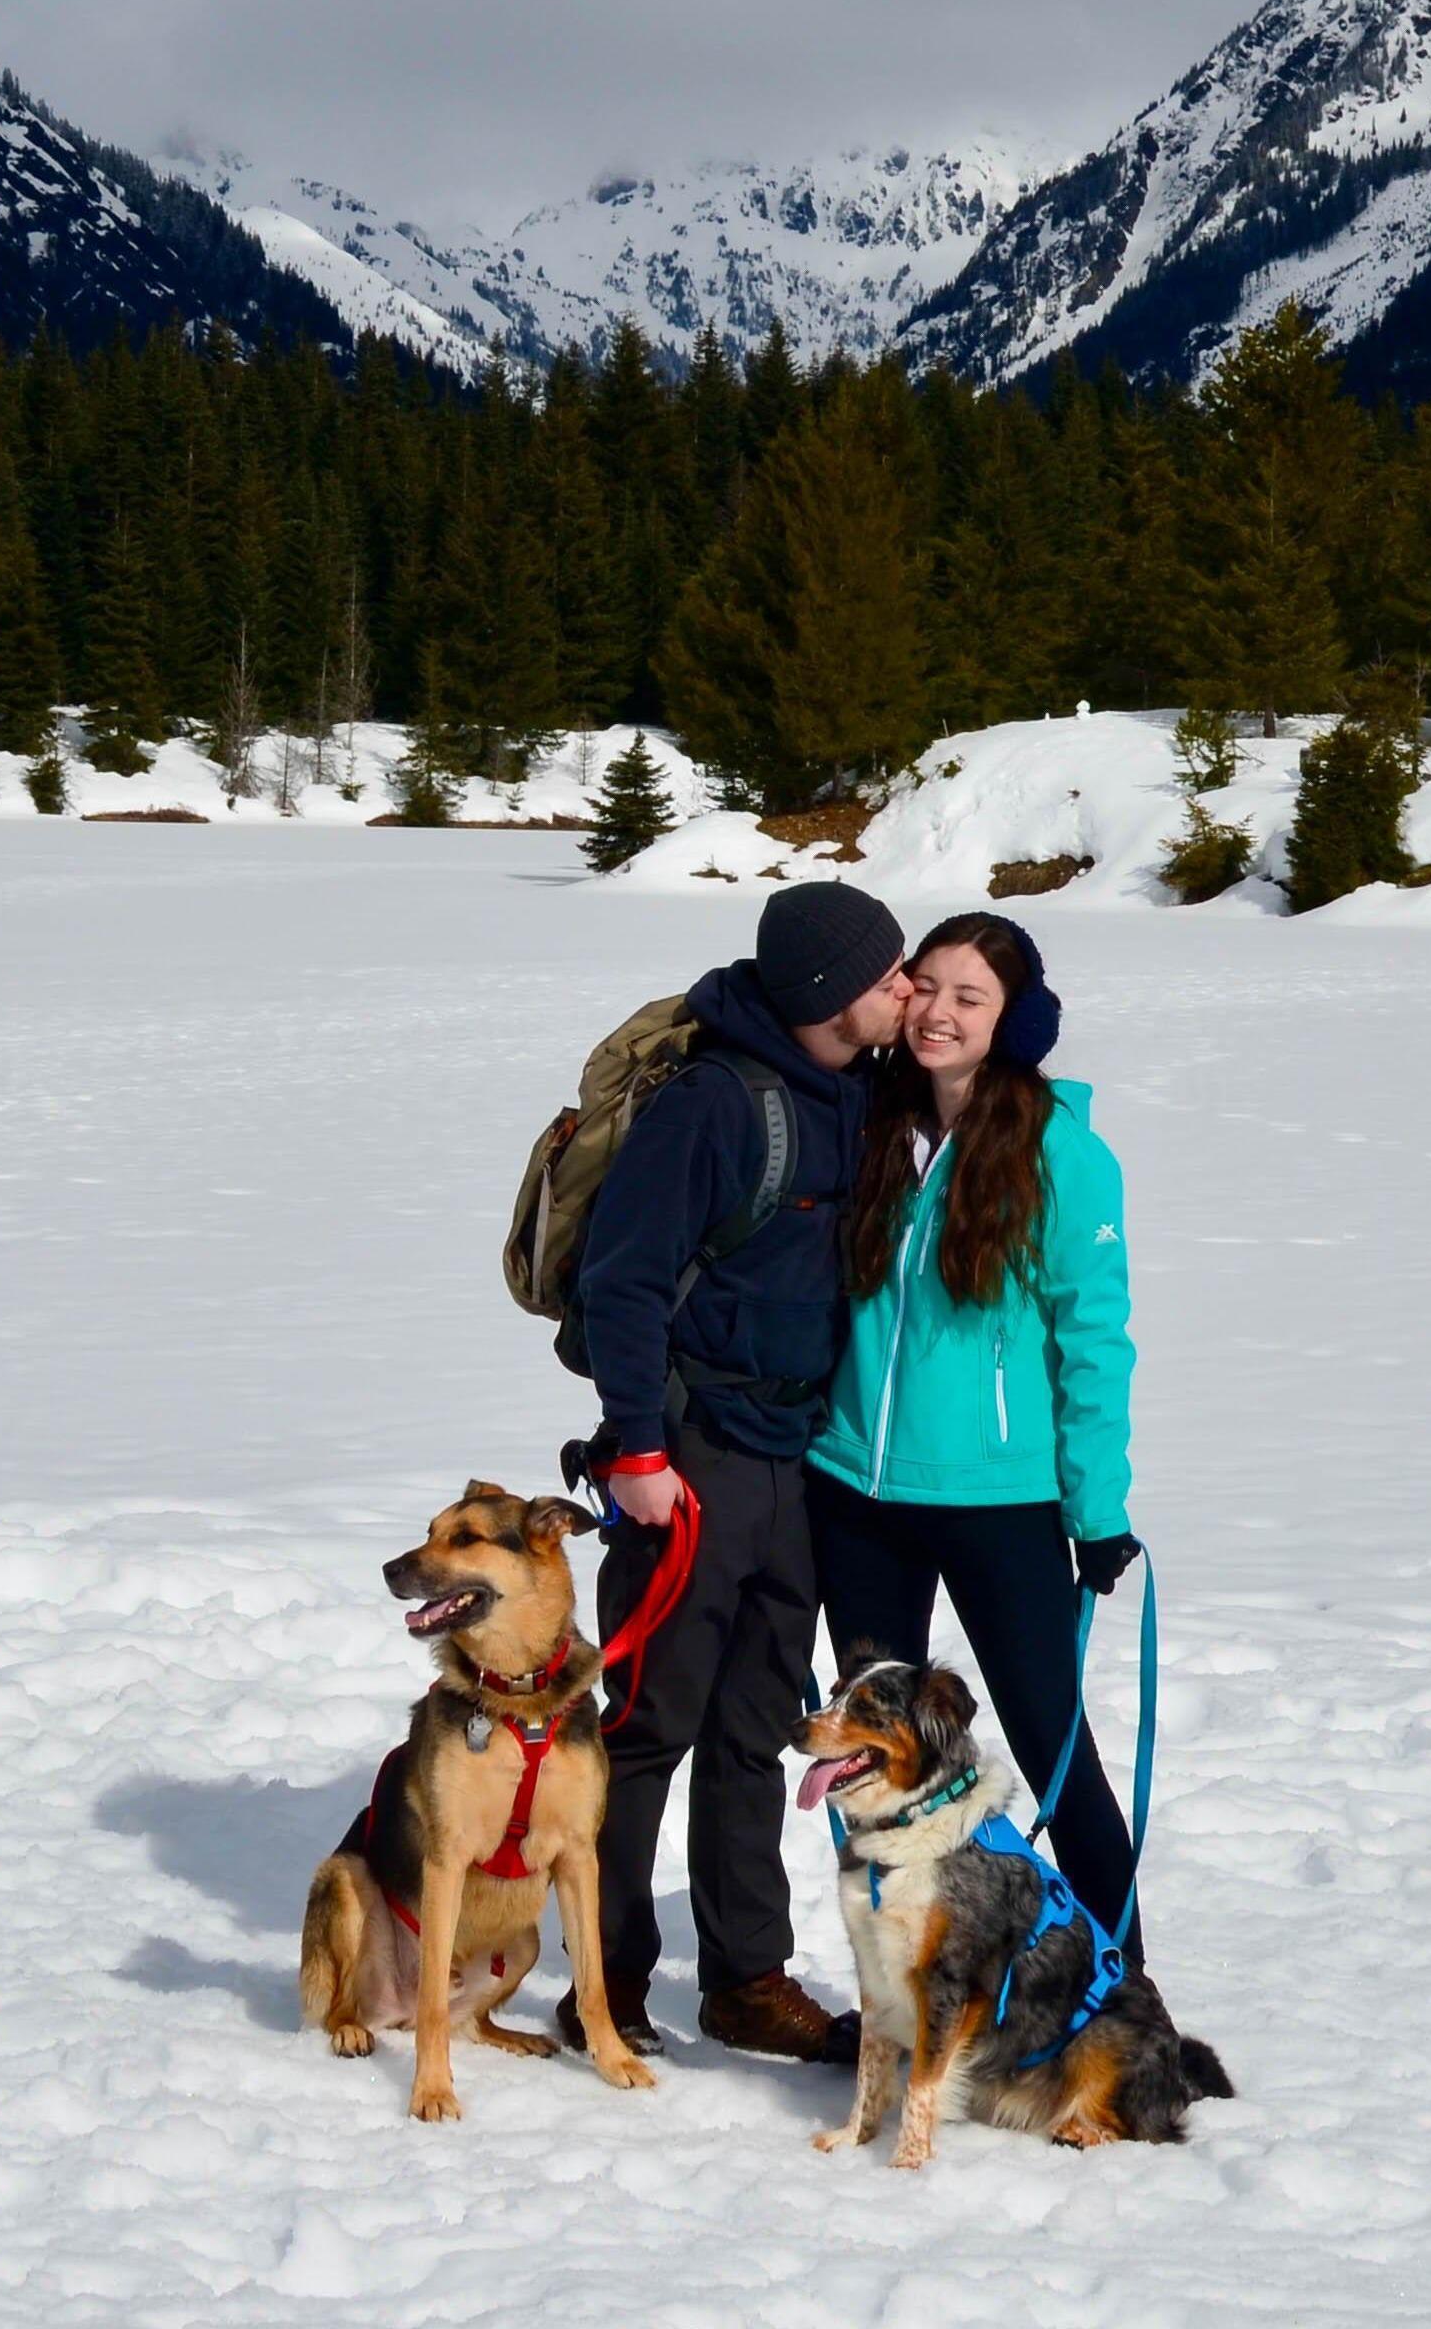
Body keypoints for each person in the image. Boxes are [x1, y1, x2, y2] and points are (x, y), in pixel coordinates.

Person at [565, 880, 910, 2066]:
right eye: (887, 974)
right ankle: (601, 1981)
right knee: (648, 1722)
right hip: (692, 1454)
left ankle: (745, 1978)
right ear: (826, 993)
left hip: (793, 1457)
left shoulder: (857, 1092)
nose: (904, 989)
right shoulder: (712, 1106)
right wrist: (637, 1447)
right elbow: (620, 1278)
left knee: (758, 1727)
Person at [805, 911, 1149, 1950]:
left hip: (997, 1502)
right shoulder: (868, 1120)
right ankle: (899, 1986)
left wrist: (1095, 1507)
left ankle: (1119, 1988)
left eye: (971, 995)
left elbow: (1094, 1340)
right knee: (864, 1762)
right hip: (855, 1494)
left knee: (1052, 1750)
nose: (940, 1013)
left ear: (1012, 1019)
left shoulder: (1061, 1151)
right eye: (930, 986)